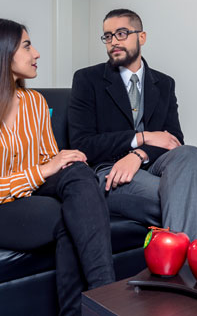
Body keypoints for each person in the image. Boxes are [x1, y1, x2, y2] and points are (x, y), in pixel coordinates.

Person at [68, 9, 197, 240]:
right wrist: (141, 137)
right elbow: (82, 144)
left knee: (190, 153)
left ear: (142, 37)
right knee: (194, 197)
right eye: (108, 36)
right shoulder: (87, 79)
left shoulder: (165, 83)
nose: (113, 42)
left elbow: (173, 139)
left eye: (121, 33)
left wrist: (138, 155)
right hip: (111, 172)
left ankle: (180, 259)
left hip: (153, 164)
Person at [0, 19, 115, 316]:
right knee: (69, 217)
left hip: (30, 192)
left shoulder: (35, 101)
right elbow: (44, 169)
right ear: (4, 52)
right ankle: (101, 304)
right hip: (4, 204)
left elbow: (52, 159)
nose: (36, 53)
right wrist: (44, 170)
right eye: (27, 45)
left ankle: (106, 300)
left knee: (77, 171)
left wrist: (66, 161)